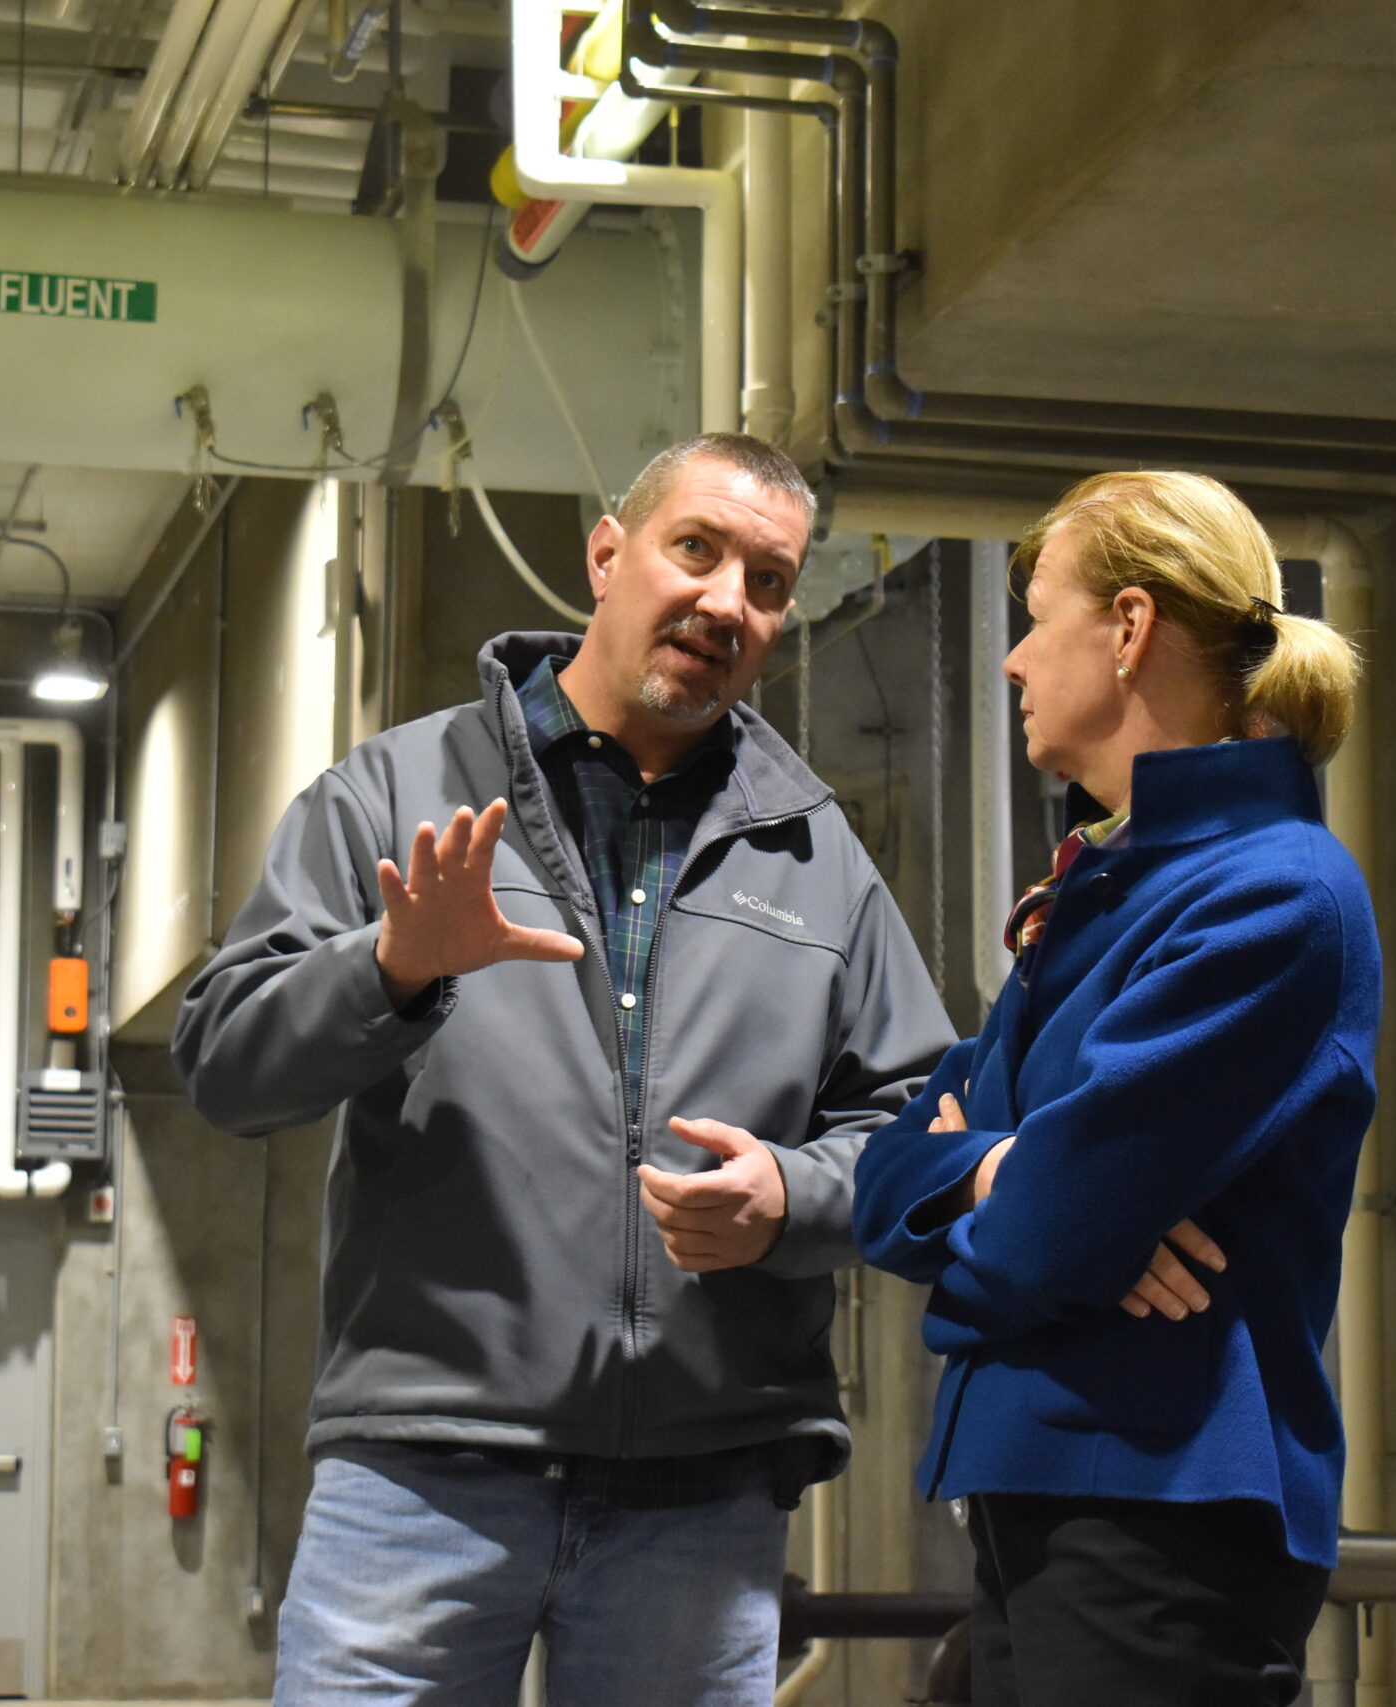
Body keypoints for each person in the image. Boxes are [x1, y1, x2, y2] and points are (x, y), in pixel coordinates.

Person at [169, 433, 959, 1707]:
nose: (723, 602)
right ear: (606, 555)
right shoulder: (397, 793)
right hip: (423, 1478)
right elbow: (224, 1066)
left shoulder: (816, 854)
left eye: (765, 580)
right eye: (693, 550)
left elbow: (919, 1130)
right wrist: (387, 969)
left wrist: (791, 1202)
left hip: (700, 1496)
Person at [852, 470, 1381, 1707]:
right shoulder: (1109, 883)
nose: (1013, 660)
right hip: (1047, 1495)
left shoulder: (1270, 892)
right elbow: (894, 1177)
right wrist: (996, 1166)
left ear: (1130, 628)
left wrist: (1031, 1195)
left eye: (1037, 617)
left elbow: (1043, 1237)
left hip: (1161, 1511)